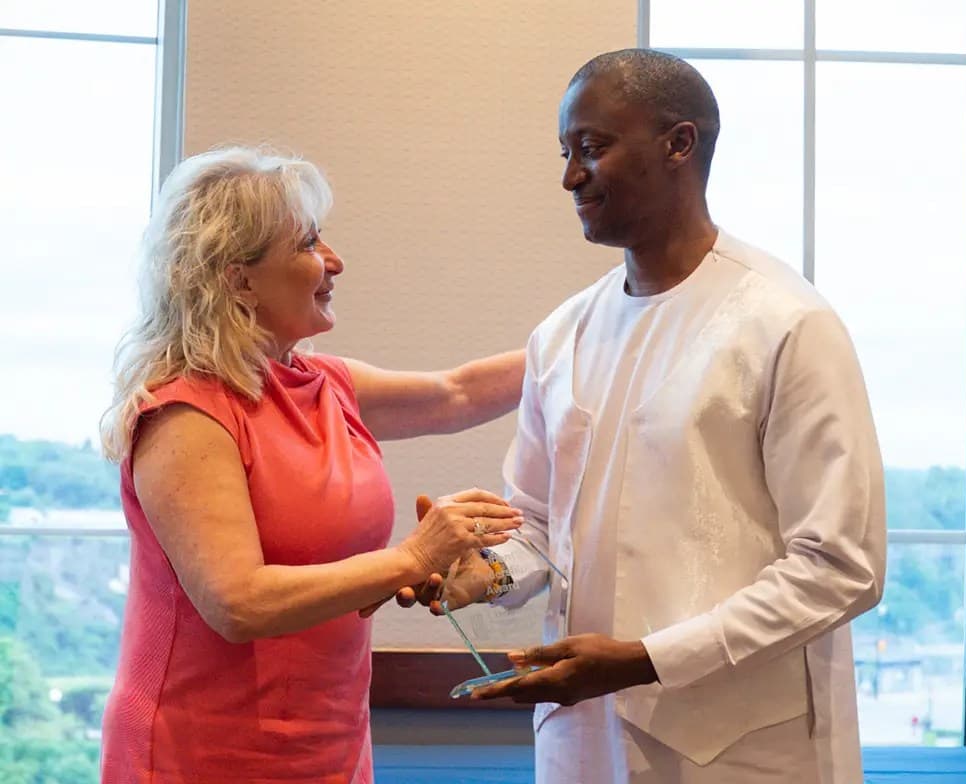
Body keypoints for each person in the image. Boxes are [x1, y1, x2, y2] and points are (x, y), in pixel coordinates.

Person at [420, 49, 887, 784]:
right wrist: (486, 574)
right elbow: (541, 523)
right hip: (581, 743)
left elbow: (841, 568)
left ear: (679, 144)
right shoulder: (562, 334)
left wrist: (645, 661)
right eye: (566, 153)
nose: (571, 176)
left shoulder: (786, 322)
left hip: (742, 752)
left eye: (593, 148)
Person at [97, 146, 526, 784]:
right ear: (238, 278)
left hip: (329, 740)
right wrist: (412, 558)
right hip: (205, 752)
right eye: (308, 243)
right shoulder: (186, 413)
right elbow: (237, 603)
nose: (334, 262)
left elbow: (456, 393)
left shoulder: (324, 382)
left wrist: (598, 329)